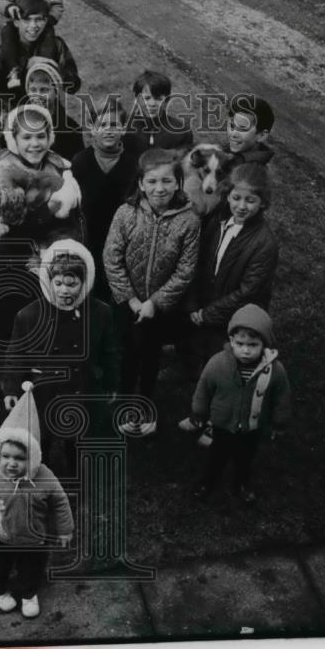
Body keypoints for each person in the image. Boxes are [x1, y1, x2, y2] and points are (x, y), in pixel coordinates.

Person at [103, 149, 200, 436]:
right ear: (141, 184)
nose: (160, 189)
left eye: (167, 181)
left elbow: (185, 270)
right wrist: (132, 300)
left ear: (178, 183)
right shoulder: (125, 213)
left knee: (150, 357)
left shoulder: (189, 221)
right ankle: (123, 402)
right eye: (153, 181)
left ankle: (145, 406)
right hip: (126, 303)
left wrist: (155, 303)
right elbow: (112, 258)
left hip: (161, 308)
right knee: (126, 355)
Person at [1, 240, 119, 475]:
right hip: (43, 390)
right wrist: (12, 388)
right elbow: (15, 354)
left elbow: (110, 352)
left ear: (84, 283)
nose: (64, 290)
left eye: (71, 283)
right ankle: (35, 472)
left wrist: (111, 383)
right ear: (48, 282)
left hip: (80, 387)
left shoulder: (100, 313)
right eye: (58, 283)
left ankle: (75, 473)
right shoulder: (29, 316)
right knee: (38, 437)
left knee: (76, 437)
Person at [0, 381, 73, 618]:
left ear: (32, 458)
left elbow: (60, 502)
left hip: (35, 539)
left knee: (32, 568)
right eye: (5, 456)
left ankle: (28, 593)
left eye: (19, 458)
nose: (11, 463)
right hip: (0, 536)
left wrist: (65, 530)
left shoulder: (44, 477)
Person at [0, 103, 85, 347]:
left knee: (46, 311)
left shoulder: (60, 168)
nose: (34, 144)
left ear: (50, 137)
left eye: (41, 136)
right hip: (12, 251)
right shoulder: (2, 168)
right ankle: (9, 363)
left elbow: (70, 215)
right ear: (13, 140)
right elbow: (1, 213)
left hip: (49, 250)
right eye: (26, 137)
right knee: (10, 307)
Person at [181, 304, 291, 504]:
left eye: (253, 345)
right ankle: (208, 482)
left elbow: (281, 397)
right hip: (222, 424)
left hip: (252, 428)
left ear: (265, 344)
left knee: (245, 459)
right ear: (231, 340)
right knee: (217, 457)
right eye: (240, 343)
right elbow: (203, 389)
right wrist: (198, 413)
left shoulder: (275, 370)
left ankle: (241, 484)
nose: (246, 350)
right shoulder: (217, 363)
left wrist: (279, 422)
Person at [188, 163, 279, 362]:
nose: (241, 206)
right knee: (193, 345)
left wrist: (207, 314)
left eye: (250, 201)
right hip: (203, 301)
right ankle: (189, 362)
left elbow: (248, 291)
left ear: (263, 203)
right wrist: (194, 304)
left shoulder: (264, 244)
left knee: (220, 359)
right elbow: (200, 261)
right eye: (236, 198)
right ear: (227, 195)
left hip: (232, 316)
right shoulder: (217, 221)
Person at [72, 100, 139, 298]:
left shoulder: (134, 163)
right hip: (89, 236)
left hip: (122, 239)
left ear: (124, 129)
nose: (108, 131)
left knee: (117, 292)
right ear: (92, 129)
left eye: (114, 125)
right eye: (102, 125)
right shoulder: (81, 161)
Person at [0, 0, 80, 104]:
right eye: (26, 20)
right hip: (19, 112)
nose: (33, 25)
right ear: (16, 22)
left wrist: (54, 68)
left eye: (39, 19)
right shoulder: (3, 51)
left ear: (46, 20)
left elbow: (74, 86)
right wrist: (25, 67)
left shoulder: (57, 45)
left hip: (51, 111)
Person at [0, 0, 65, 91]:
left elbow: (57, 3)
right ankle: (13, 70)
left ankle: (44, 67)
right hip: (19, 16)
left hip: (44, 19)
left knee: (48, 38)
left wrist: (51, 18)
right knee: (6, 33)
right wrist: (9, 7)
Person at [122, 70, 193, 158]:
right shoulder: (123, 127)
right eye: (146, 98)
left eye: (158, 99)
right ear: (136, 99)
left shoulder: (181, 132)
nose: (152, 104)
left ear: (167, 100)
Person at [22, 59, 84, 160]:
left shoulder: (72, 129)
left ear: (56, 93)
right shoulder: (17, 125)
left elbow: (77, 168)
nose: (37, 95)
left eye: (44, 90)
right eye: (33, 90)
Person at [225, 93, 275, 168]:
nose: (233, 133)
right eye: (232, 126)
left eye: (242, 128)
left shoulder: (255, 172)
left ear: (262, 136)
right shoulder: (223, 152)